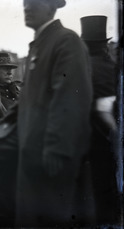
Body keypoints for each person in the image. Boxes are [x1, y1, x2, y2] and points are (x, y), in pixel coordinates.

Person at [0, 0, 93, 227]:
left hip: (49, 157)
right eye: (25, 2)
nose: (26, 7)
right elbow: (26, 102)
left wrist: (57, 149)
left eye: (34, 2)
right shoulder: (40, 44)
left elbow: (70, 99)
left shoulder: (66, 41)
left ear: (52, 6)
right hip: (31, 154)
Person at [80, 15, 121, 225]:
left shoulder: (82, 68)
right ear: (103, 45)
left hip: (88, 138)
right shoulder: (111, 66)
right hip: (109, 135)